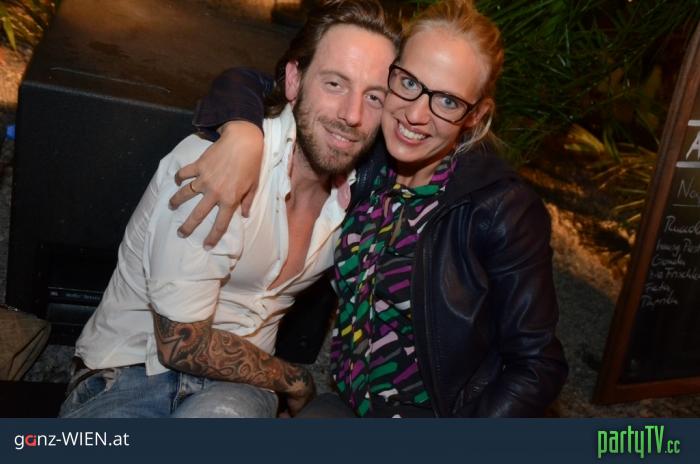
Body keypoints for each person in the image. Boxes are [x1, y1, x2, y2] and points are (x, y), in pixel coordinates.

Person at [171, 0, 568, 417]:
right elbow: (257, 81)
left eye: (448, 102)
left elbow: (539, 365)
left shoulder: (501, 209)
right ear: (390, 74)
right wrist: (242, 132)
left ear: (476, 114)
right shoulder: (369, 158)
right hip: (349, 406)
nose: (416, 115)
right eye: (409, 82)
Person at [58, 0, 401, 418]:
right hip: (130, 370)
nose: (352, 115)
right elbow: (179, 343)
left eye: (374, 97)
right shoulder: (216, 166)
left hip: (238, 390)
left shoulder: (363, 193)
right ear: (295, 80)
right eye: (334, 84)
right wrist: (295, 379)